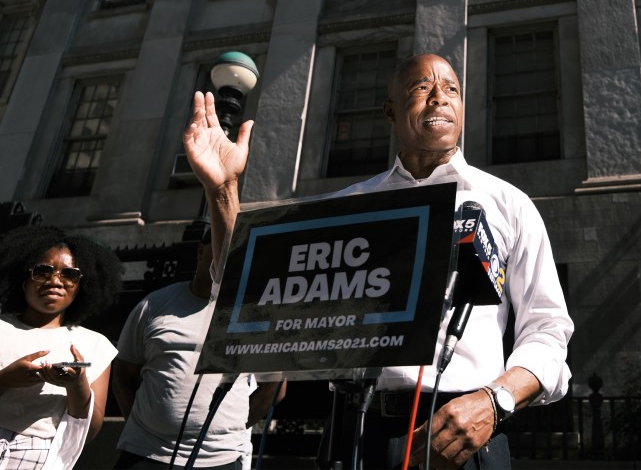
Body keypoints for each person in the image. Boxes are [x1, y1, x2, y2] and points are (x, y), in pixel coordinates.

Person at [182, 53, 574, 469]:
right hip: (355, 433)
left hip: (462, 432)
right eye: (421, 87)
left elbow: (548, 330)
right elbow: (244, 285)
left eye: (452, 89)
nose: (440, 98)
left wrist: (496, 401)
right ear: (391, 110)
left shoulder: (508, 204)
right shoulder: (351, 207)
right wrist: (222, 188)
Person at [112, 227, 286, 470]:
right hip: (146, 453)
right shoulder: (153, 305)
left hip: (220, 458)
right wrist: (145, 423)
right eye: (219, 251)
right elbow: (123, 374)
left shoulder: (255, 315)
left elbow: (274, 385)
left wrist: (229, 428)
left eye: (235, 255)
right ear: (201, 250)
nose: (226, 261)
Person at [0, 225, 122, 470]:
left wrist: (77, 386)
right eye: (43, 270)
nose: (55, 280)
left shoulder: (95, 345)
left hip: (40, 453)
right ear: (23, 277)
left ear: (81, 286)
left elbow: (90, 430)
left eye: (70, 274)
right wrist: (6, 379)